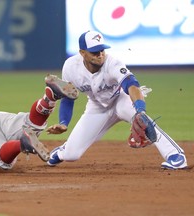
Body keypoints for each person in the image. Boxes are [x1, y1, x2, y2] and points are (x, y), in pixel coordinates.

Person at [46, 30, 187, 170]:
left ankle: (176, 156)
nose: (100, 55)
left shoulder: (113, 63)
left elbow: (131, 85)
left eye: (102, 50)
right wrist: (63, 122)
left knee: (144, 121)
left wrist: (140, 110)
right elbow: (68, 97)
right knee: (71, 155)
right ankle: (63, 150)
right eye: (95, 52)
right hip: (96, 107)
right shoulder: (71, 67)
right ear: (82, 53)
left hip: (121, 100)